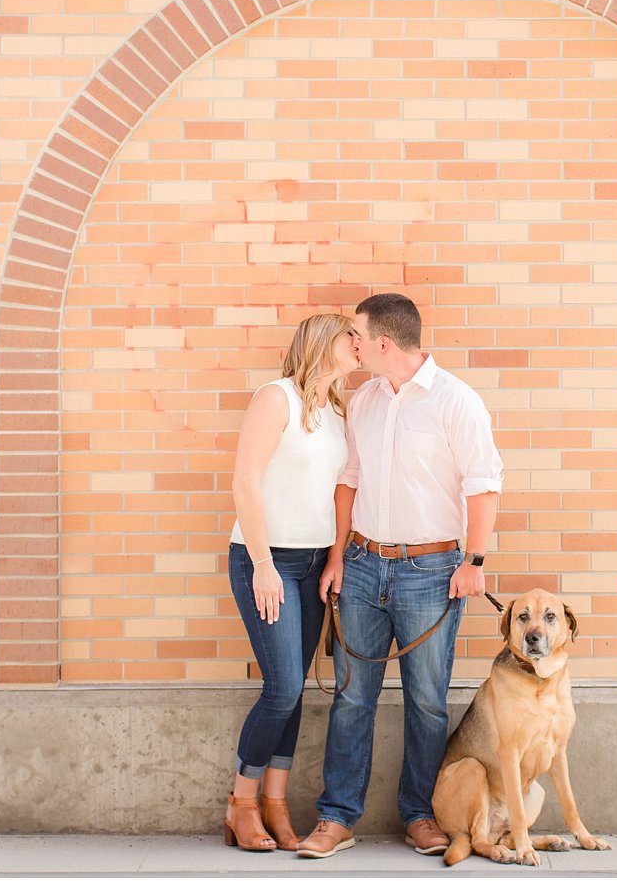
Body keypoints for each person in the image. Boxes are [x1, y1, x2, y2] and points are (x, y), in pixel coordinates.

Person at [297, 293, 504, 859]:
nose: (354, 345)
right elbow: (350, 478)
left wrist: (474, 562)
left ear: (383, 344)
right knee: (350, 696)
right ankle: (336, 817)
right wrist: (338, 555)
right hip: (362, 566)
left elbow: (483, 483)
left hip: (432, 572)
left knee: (428, 700)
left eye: (358, 337)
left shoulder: (455, 401)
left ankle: (420, 813)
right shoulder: (363, 399)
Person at [223, 313, 360, 853]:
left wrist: (334, 560)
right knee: (281, 690)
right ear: (323, 342)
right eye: (350, 336)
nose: (359, 345)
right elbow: (244, 483)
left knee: (296, 690)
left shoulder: (335, 411)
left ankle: (276, 804)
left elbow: (334, 493)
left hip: (312, 564)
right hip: (267, 559)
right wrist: (261, 564)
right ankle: (241, 805)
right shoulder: (274, 398)